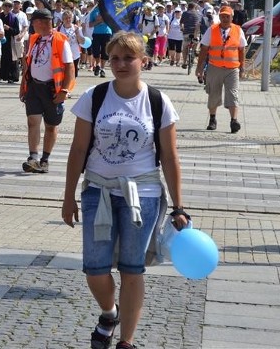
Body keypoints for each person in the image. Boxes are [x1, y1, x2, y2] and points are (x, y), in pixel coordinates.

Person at [62, 31, 187, 349]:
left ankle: (126, 342)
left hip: (141, 197)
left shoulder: (158, 101)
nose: (120, 64)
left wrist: (178, 206)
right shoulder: (95, 96)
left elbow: (170, 157)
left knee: (133, 269)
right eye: (114, 58)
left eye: (128, 58)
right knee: (94, 269)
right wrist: (68, 197)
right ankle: (109, 313)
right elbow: (78, 150)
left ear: (143, 60)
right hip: (97, 192)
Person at [20, 8, 75, 174]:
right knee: (33, 121)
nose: (32, 26)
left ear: (41, 22)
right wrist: (23, 85)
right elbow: (28, 65)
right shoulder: (35, 39)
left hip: (53, 89)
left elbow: (70, 67)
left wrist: (64, 90)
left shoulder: (60, 40)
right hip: (34, 87)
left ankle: (45, 160)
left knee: (51, 126)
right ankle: (33, 157)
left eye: (33, 22)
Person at [195, 5, 246, 133]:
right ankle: (212, 119)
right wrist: (199, 67)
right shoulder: (212, 30)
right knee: (213, 94)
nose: (224, 18)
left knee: (233, 94)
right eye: (222, 16)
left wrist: (243, 67)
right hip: (214, 67)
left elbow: (242, 50)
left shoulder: (238, 30)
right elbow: (204, 49)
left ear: (232, 17)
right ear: (220, 17)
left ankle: (234, 121)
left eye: (227, 16)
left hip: (232, 69)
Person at [57, 9, 85, 76]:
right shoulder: (58, 29)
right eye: (66, 18)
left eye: (70, 18)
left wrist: (77, 33)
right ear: (62, 19)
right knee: (64, 75)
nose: (68, 20)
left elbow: (82, 42)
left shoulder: (77, 28)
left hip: (74, 55)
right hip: (63, 56)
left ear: (72, 19)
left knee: (73, 75)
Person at [89, 1, 113, 78]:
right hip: (96, 33)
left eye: (100, 0)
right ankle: (98, 65)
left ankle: (102, 69)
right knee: (95, 51)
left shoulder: (107, 10)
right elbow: (90, 25)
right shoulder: (93, 12)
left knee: (105, 51)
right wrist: (99, 20)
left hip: (106, 33)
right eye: (96, 0)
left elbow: (111, 22)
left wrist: (104, 19)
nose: (98, 2)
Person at [179, 1, 201, 68]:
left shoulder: (185, 13)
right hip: (196, 33)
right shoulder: (198, 14)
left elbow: (181, 23)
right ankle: (193, 55)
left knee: (185, 47)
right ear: (194, 7)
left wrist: (182, 28)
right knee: (195, 44)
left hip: (187, 32)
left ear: (188, 7)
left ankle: (184, 62)